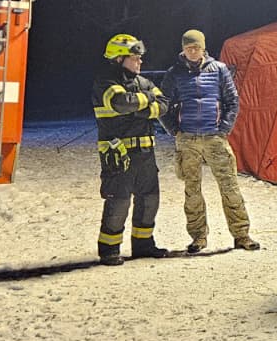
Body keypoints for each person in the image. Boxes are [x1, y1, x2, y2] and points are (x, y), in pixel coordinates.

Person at [160, 29, 260, 254]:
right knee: (191, 189)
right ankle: (198, 237)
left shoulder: (219, 69)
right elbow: (162, 103)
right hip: (187, 138)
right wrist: (174, 130)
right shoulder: (174, 73)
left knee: (230, 186)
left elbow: (232, 100)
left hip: (214, 137)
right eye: (188, 48)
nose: (192, 51)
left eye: (196, 47)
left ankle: (242, 234)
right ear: (183, 49)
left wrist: (224, 128)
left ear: (203, 47)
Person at [92, 33, 171, 265]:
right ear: (118, 58)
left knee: (149, 200)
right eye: (135, 57)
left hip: (146, 154)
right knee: (119, 202)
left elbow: (164, 104)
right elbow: (120, 103)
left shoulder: (142, 82)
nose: (140, 61)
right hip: (118, 155)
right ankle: (109, 250)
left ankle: (143, 245)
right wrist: (147, 101)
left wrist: (140, 106)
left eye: (139, 57)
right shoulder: (104, 81)